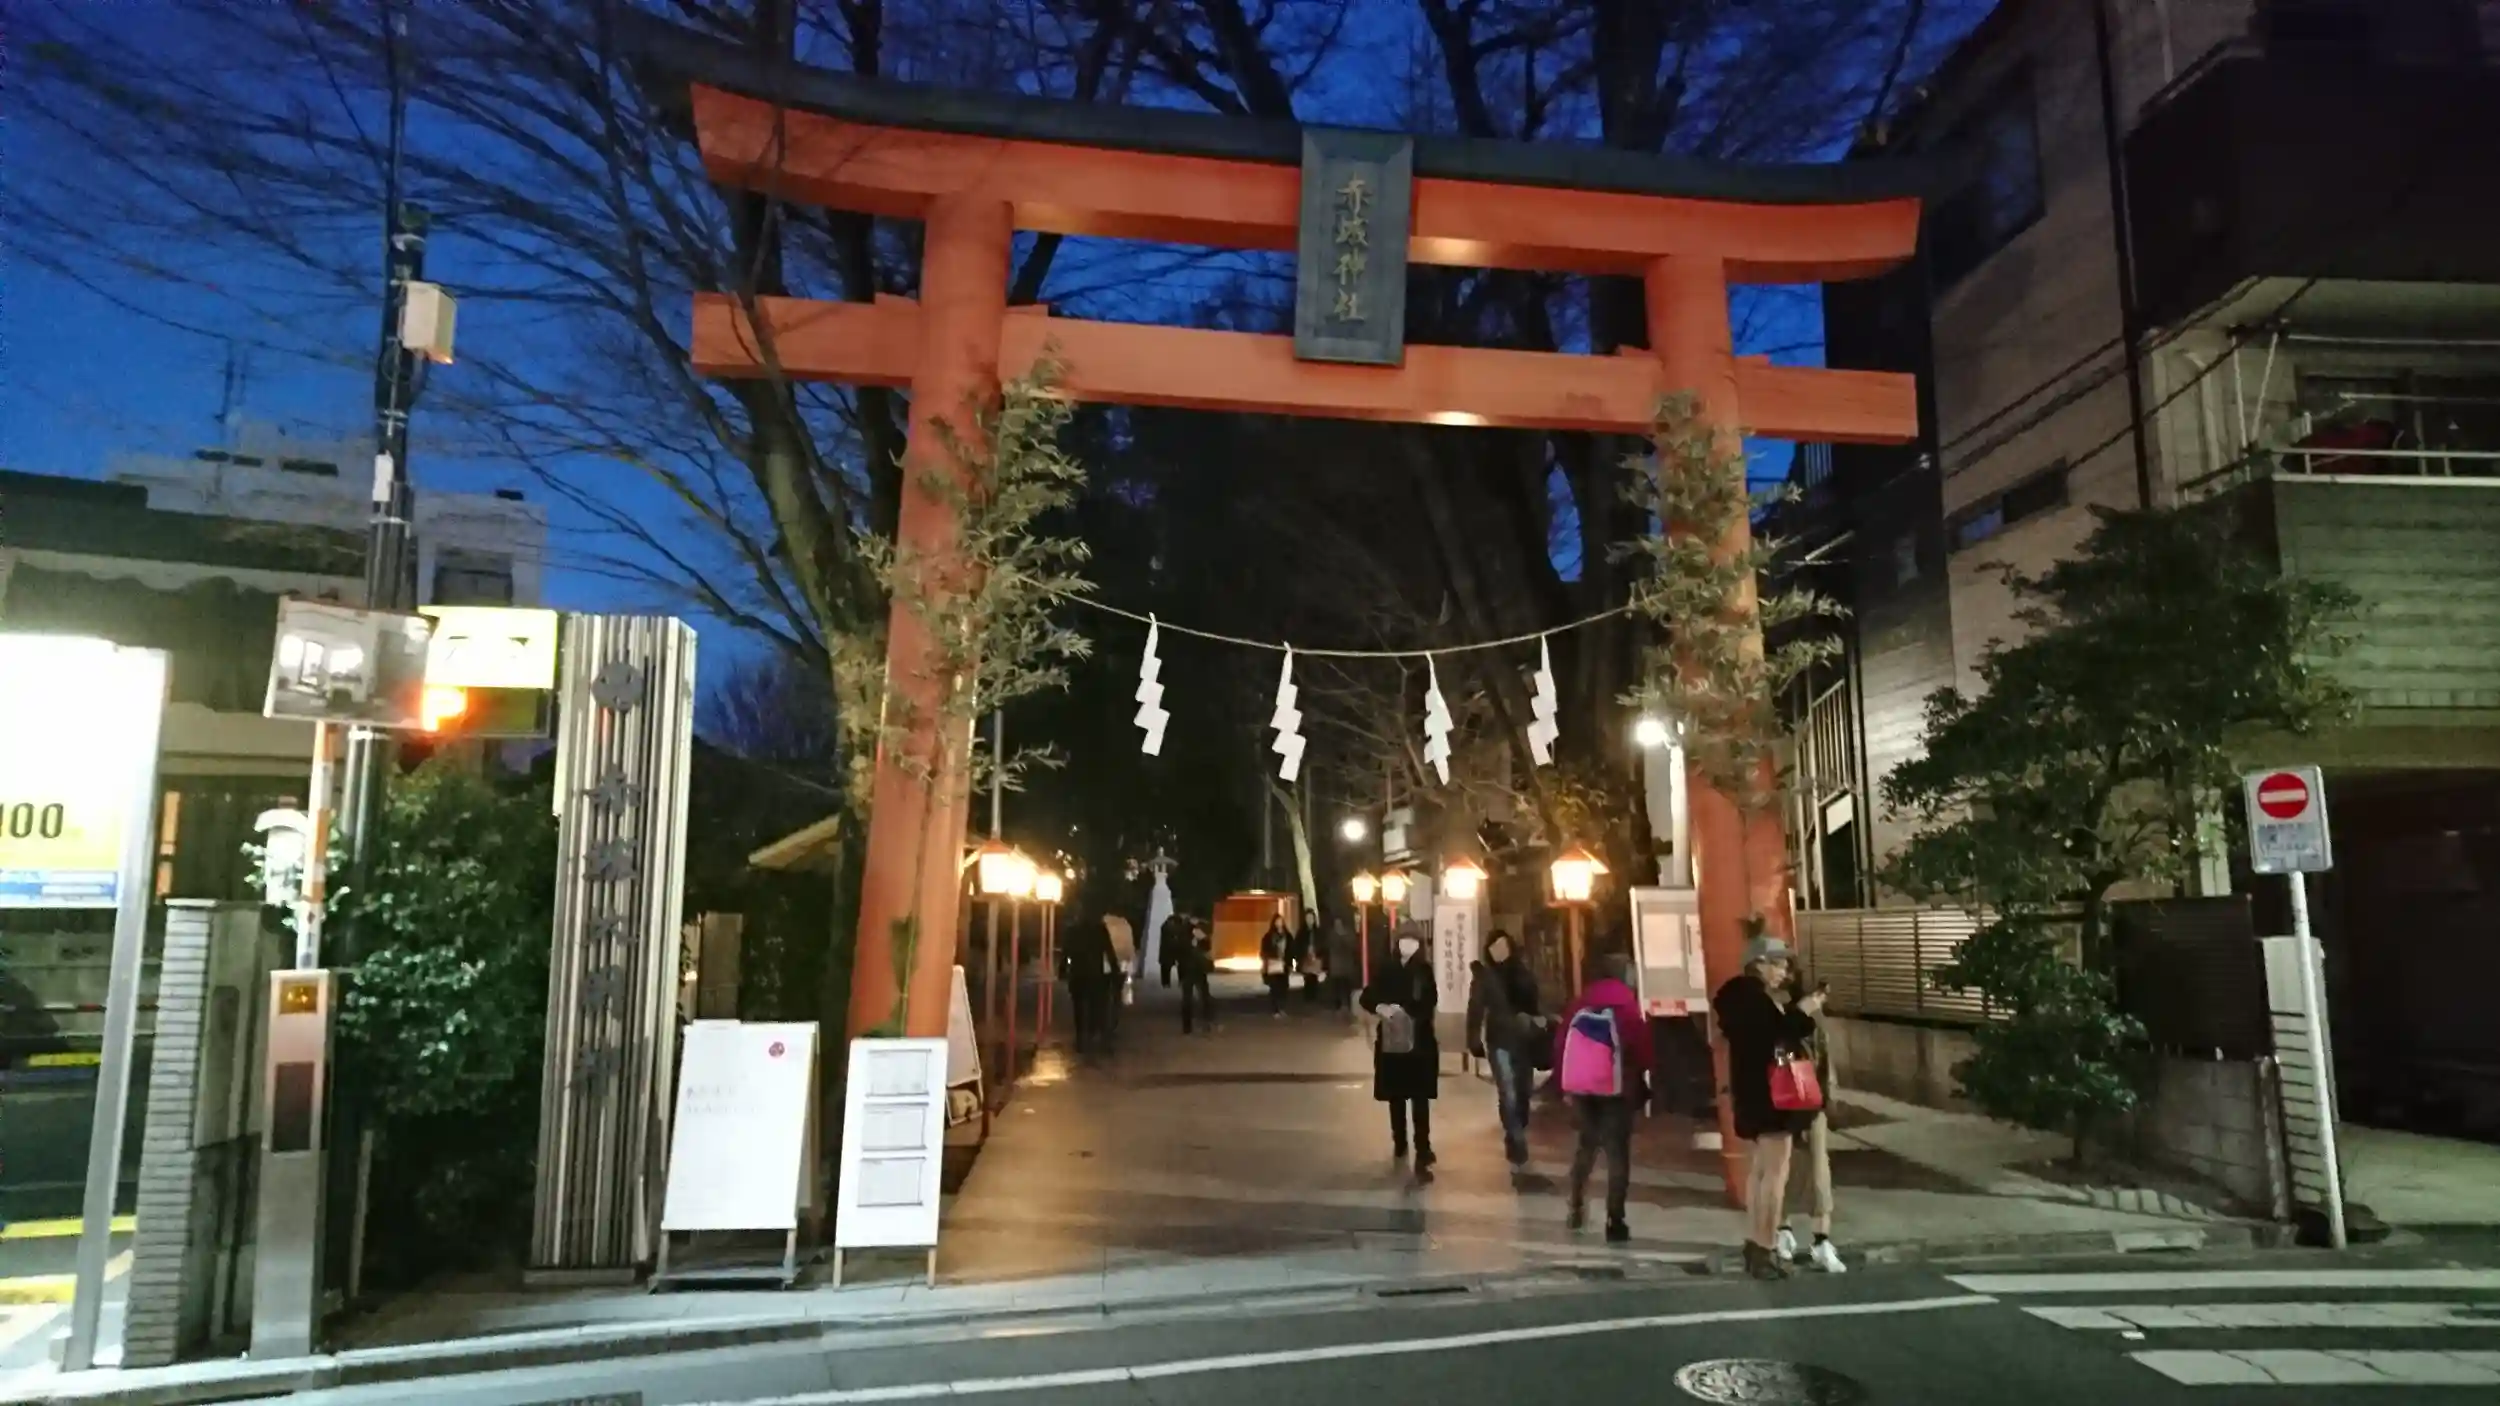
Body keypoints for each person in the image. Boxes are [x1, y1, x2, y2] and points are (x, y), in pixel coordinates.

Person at [1712, 934, 1827, 1280]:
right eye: (1778, 964)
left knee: (1760, 1172)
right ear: (1759, 963)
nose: (1783, 972)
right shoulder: (1755, 1000)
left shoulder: (1736, 999)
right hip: (1772, 1096)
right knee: (1775, 1174)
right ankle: (1765, 1246)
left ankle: (1755, 1242)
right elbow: (1780, 1035)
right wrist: (1804, 1011)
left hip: (1751, 1095)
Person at [1553, 953, 1654, 1243]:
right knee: (1617, 1153)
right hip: (1617, 1090)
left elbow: (1561, 1045)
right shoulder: (1626, 1006)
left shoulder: (1580, 1003)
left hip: (1582, 1090)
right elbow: (1642, 1049)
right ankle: (1615, 1219)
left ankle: (1576, 1205)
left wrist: (1564, 1086)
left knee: (1586, 1146)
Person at [1359, 927, 1440, 1180]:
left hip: (1419, 1042)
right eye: (1404, 939)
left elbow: (1430, 1001)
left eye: (1412, 940)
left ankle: (1423, 1146)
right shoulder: (1386, 968)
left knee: (1420, 1097)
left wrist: (1407, 1012)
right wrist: (1381, 1007)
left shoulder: (1424, 971)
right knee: (1396, 1097)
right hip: (1392, 1042)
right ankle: (1400, 1142)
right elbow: (1367, 997)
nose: (1408, 944)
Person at [1465, 929, 1545, 1168]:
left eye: (1502, 946)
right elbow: (1475, 1008)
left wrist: (1540, 1020)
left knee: (1523, 1092)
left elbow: (1536, 1003)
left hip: (1524, 1040)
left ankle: (1516, 1128)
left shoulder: (1523, 973)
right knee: (1507, 1092)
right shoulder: (1485, 976)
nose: (1498, 951)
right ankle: (1516, 1138)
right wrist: (1473, 1038)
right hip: (1498, 1041)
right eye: (1494, 947)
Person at [1059, 914, 1120, 1056]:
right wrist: (1115, 969)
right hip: (1096, 974)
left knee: (1079, 1007)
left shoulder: (1072, 931)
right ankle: (1095, 1035)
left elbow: (1065, 952)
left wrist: (1062, 970)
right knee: (1097, 1006)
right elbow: (1109, 950)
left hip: (1078, 973)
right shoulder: (1100, 930)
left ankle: (1081, 1038)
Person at [1178, 917, 1217, 1034]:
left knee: (1192, 997)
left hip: (1191, 969)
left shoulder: (1184, 934)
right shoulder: (1190, 932)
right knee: (1199, 996)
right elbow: (1207, 946)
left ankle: (1190, 1026)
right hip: (1194, 968)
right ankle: (1201, 1023)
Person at [1325, 914, 1362, 1013]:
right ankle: (1339, 1004)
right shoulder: (1332, 934)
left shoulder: (1348, 933)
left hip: (1345, 964)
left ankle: (1345, 1003)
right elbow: (1330, 945)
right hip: (1336, 964)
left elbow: (1353, 945)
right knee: (1337, 985)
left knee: (1345, 985)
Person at [1259, 914, 1294, 1017]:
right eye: (1277, 921)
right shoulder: (1268, 937)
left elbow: (1291, 951)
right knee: (1274, 987)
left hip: (1284, 965)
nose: (1279, 923)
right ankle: (1275, 1009)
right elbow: (1264, 951)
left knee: (1283, 987)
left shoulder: (1288, 936)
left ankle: (1282, 1008)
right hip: (1273, 965)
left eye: (1281, 921)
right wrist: (1270, 958)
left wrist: (1290, 963)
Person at [1158, 909, 1191, 989]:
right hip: (1172, 948)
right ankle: (1175, 981)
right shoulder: (1176, 924)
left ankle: (1167, 982)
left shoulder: (1174, 924)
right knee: (1171, 965)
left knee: (1175, 965)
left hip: (1173, 948)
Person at [1297, 914, 1326, 1005]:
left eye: (1311, 918)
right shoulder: (1302, 932)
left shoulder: (1318, 932)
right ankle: (1308, 996)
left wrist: (1317, 952)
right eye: (1308, 918)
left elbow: (1322, 943)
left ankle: (1314, 996)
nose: (1309, 920)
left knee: (1314, 976)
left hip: (1316, 956)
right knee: (1307, 976)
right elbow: (1298, 944)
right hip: (1305, 956)